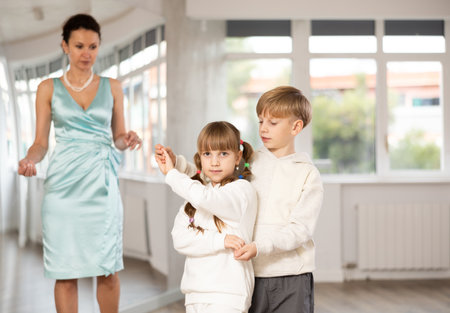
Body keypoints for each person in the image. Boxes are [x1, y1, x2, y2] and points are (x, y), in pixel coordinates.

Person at [156, 86, 323, 313]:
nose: (264, 128)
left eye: (272, 123)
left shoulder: (307, 173)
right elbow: (211, 184)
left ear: (296, 127)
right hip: (249, 274)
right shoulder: (249, 161)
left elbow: (301, 229)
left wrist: (260, 246)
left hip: (291, 276)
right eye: (260, 121)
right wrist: (178, 166)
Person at [17, 14, 141, 313]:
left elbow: (118, 139)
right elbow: (41, 144)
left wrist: (129, 138)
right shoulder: (48, 88)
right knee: (65, 272)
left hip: (101, 186)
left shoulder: (113, 86)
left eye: (94, 46)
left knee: (108, 269)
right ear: (65, 46)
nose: (87, 53)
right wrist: (28, 159)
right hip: (62, 189)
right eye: (80, 46)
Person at [156, 121, 257, 313]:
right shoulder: (196, 197)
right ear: (200, 157)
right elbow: (180, 239)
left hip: (228, 294)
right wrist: (221, 240)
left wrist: (172, 173)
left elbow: (206, 198)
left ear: (238, 157)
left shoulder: (241, 191)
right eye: (207, 154)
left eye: (223, 154)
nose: (214, 162)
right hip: (195, 293)